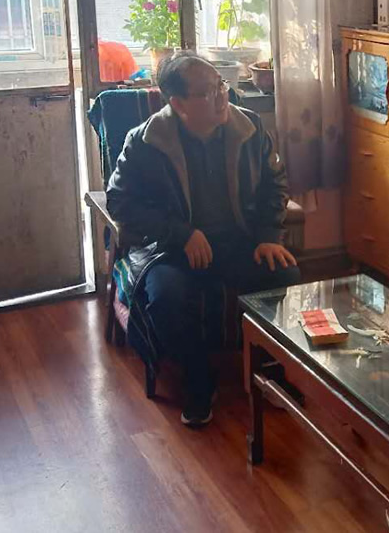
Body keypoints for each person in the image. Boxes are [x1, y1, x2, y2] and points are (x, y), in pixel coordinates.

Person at [107, 52, 299, 428]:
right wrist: (181, 233)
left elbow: (275, 184)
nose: (222, 95)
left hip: (238, 241)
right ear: (178, 104)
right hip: (170, 251)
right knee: (166, 297)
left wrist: (268, 236)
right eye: (208, 91)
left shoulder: (249, 128)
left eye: (221, 85)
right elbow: (119, 202)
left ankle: (269, 370)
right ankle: (197, 378)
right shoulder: (145, 141)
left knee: (284, 274)